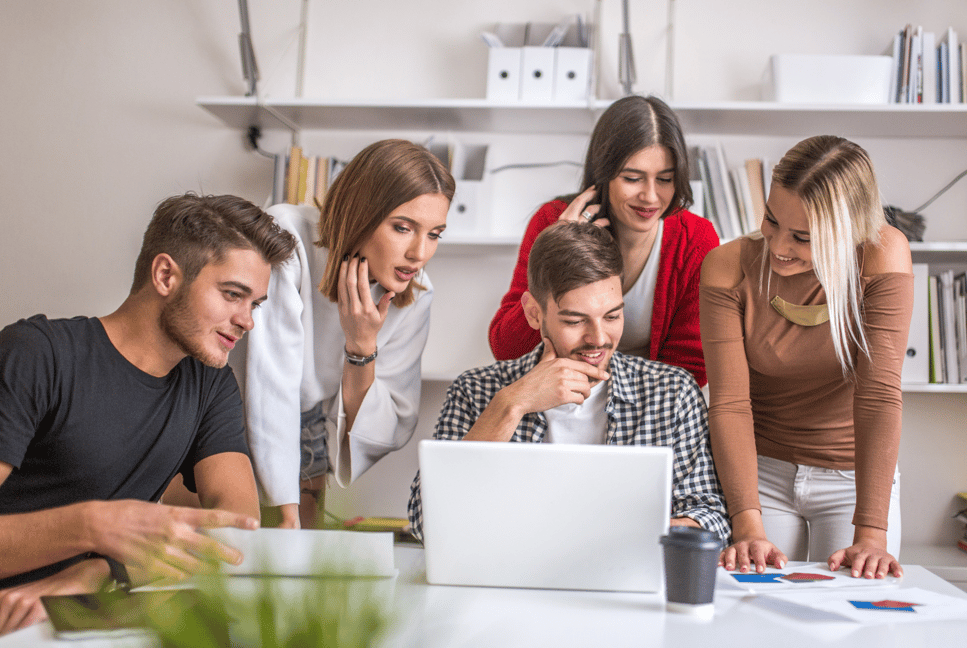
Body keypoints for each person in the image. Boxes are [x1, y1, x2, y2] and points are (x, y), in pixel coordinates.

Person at [0, 193, 297, 634]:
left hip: (81, 615)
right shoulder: (37, 355)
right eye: (232, 295)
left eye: (254, 304)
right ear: (165, 275)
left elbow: (235, 533)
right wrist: (92, 525)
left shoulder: (209, 384)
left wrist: (101, 570)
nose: (247, 321)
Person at [408, 221, 730, 543]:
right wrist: (511, 405)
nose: (599, 338)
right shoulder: (475, 391)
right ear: (534, 313)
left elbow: (712, 516)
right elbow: (426, 522)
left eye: (613, 316)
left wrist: (631, 535)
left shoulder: (672, 393)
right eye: (575, 321)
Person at [699, 135, 912, 581]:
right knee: (756, 609)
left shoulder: (881, 254)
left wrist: (872, 535)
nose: (778, 246)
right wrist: (746, 523)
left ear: (849, 231)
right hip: (760, 474)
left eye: (803, 237)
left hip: (852, 477)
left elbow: (877, 397)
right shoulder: (728, 265)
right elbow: (730, 403)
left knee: (850, 614)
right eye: (771, 222)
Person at [238, 139, 455, 530]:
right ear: (361, 213)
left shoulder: (417, 290)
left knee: (292, 564)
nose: (419, 253)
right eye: (403, 228)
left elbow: (389, 424)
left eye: (435, 233)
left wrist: (361, 344)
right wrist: (285, 509)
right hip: (234, 413)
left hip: (310, 428)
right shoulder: (287, 237)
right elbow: (271, 383)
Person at [489, 95, 718, 386]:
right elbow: (508, 350)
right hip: (557, 399)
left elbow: (690, 368)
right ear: (604, 174)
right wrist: (559, 251)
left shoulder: (694, 239)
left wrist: (610, 399)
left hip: (649, 408)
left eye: (664, 179)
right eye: (633, 178)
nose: (650, 196)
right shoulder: (552, 221)